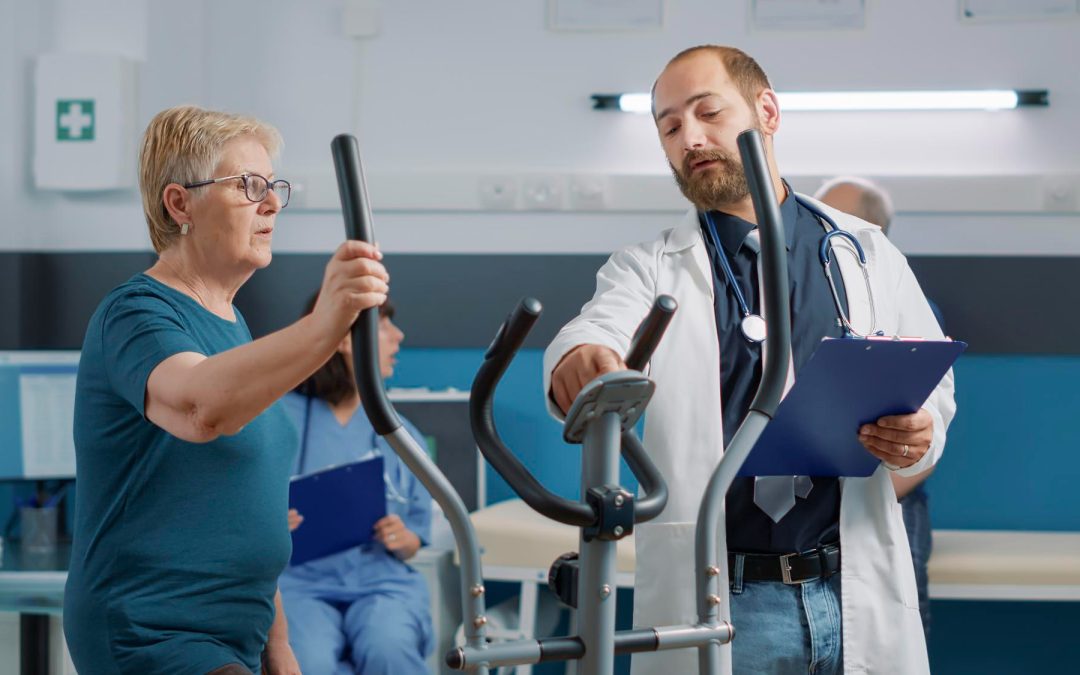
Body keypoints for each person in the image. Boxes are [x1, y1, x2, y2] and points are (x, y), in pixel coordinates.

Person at [544, 46, 955, 675]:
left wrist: (917, 433)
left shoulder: (865, 253)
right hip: (723, 601)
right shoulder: (648, 266)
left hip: (850, 589)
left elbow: (932, 399)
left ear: (766, 110)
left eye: (708, 112)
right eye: (670, 127)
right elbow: (596, 331)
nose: (692, 138)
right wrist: (581, 357)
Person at [65, 105, 390, 675]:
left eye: (273, 188)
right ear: (179, 202)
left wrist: (280, 645)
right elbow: (197, 408)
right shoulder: (135, 314)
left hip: (239, 633)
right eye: (248, 186)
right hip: (150, 627)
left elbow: (249, 508)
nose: (270, 204)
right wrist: (324, 323)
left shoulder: (234, 331)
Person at [279, 294, 434, 674]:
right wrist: (269, 524)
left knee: (389, 646)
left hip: (381, 583)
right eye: (384, 325)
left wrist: (404, 538)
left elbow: (416, 535)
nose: (398, 336)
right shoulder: (277, 419)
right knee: (308, 661)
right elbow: (237, 509)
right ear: (345, 338)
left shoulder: (400, 433)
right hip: (299, 584)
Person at [815, 176, 941, 640]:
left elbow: (929, 426)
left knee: (894, 634)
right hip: (816, 501)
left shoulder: (910, 310)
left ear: (874, 234)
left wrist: (873, 498)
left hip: (890, 496)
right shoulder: (809, 303)